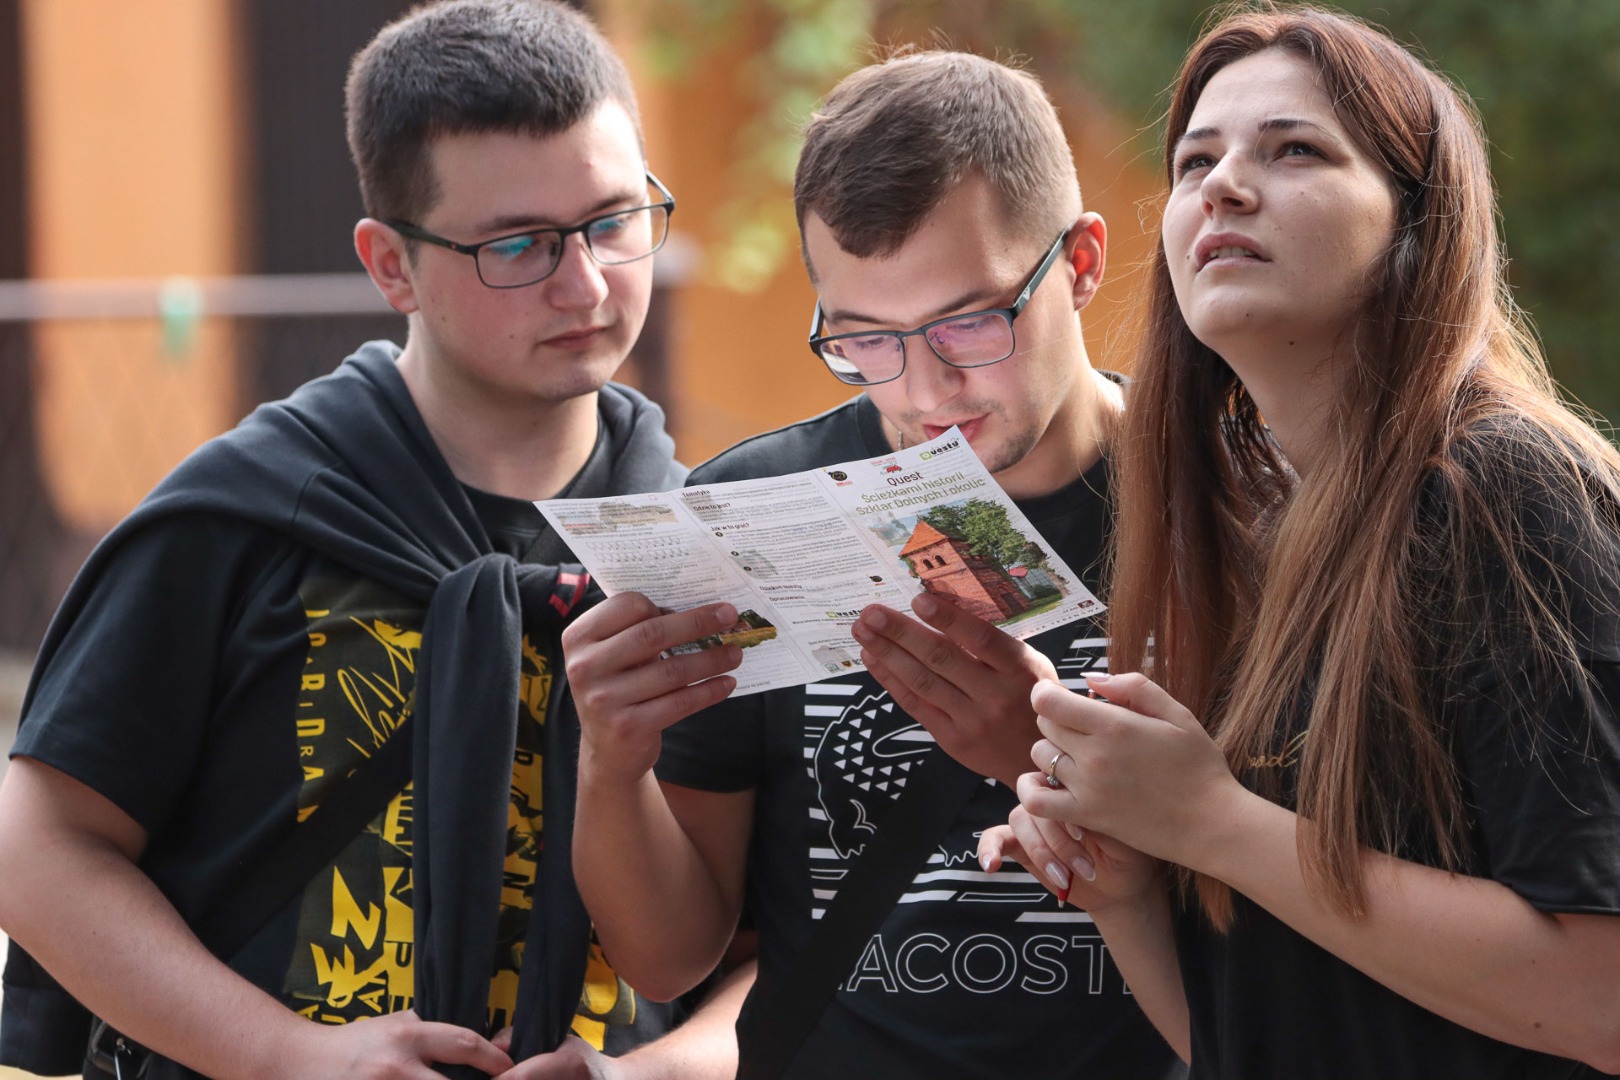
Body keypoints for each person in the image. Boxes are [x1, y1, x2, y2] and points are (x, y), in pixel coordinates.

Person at [0, 2, 748, 1077]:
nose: (584, 284)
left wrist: (654, 1075)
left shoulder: (700, 542)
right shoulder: (244, 519)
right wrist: (290, 1056)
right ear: (391, 266)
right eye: (518, 246)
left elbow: (777, 923)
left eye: (614, 222)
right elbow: (37, 849)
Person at [978, 5, 1620, 1077]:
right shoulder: (1252, 524)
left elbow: (1600, 997)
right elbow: (1262, 1037)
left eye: (1295, 149)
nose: (1221, 185)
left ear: (1418, 224)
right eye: (1194, 162)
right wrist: (1128, 886)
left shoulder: (1503, 491)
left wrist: (1212, 823)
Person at [562, 50, 1183, 1079]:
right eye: (866, 340)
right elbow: (669, 960)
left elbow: (1299, 940)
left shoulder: (1233, 515)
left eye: (971, 322)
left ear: (1079, 264)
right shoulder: (747, 514)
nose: (927, 389)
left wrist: (1044, 760)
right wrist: (611, 765)